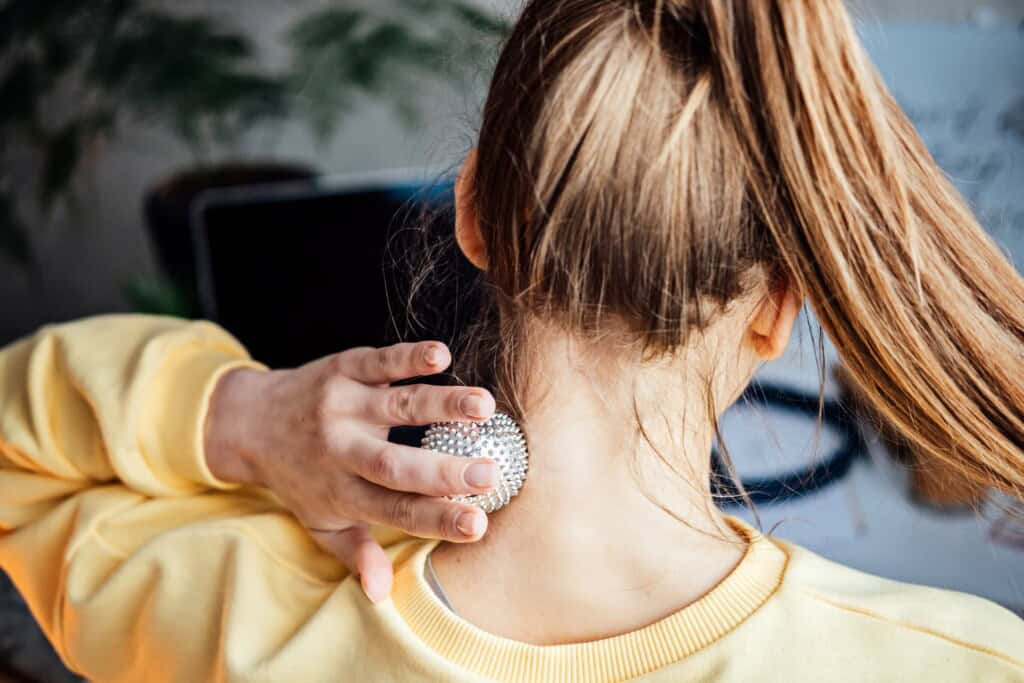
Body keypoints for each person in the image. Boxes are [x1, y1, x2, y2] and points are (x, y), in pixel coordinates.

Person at [2, 0, 1023, 681]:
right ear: (776, 305)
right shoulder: (960, 657)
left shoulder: (227, 610)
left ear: (474, 211)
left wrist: (241, 414)